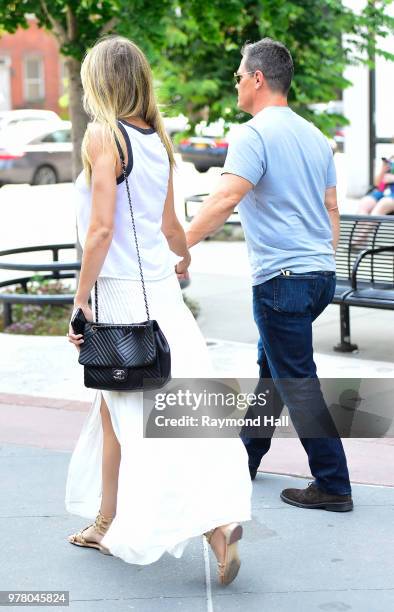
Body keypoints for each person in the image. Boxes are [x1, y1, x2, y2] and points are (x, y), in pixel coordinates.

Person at [65, 35, 252, 586]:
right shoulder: (157, 143)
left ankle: (215, 524)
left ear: (100, 82)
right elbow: (172, 230)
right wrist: (182, 258)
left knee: (145, 419)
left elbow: (99, 230)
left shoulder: (103, 135)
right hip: (161, 298)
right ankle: (106, 519)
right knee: (142, 411)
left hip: (120, 297)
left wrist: (79, 302)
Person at [186, 37, 353, 512]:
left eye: (239, 75)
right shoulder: (314, 135)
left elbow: (224, 199)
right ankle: (246, 459)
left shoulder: (252, 134)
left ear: (258, 78)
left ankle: (333, 483)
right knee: (273, 374)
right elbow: (331, 208)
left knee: (296, 379)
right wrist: (321, 258)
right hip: (318, 276)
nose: (235, 83)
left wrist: (176, 248)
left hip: (281, 280)